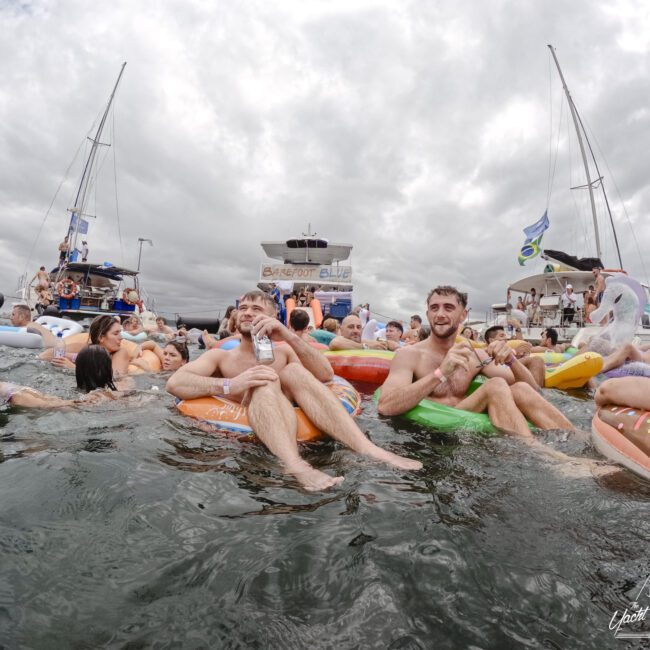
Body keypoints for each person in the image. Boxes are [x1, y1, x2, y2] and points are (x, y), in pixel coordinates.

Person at [166, 290, 421, 491]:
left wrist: (287, 335)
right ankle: (295, 465)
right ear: (235, 317)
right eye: (243, 308)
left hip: (308, 434)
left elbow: (325, 375)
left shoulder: (285, 350)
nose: (247, 313)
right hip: (249, 450)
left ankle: (368, 448)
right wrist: (230, 384)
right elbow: (175, 383)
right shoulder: (222, 357)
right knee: (263, 378)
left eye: (256, 309)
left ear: (272, 317)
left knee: (293, 371)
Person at [377, 286, 575, 444]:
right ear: (427, 313)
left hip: (467, 423)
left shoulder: (474, 355)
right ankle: (548, 457)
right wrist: (440, 373)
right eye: (434, 308)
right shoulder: (409, 355)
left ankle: (580, 441)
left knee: (520, 388)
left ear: (463, 315)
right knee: (496, 385)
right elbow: (385, 406)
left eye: (448, 307)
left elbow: (533, 390)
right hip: (431, 435)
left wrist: (511, 360)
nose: (440, 314)